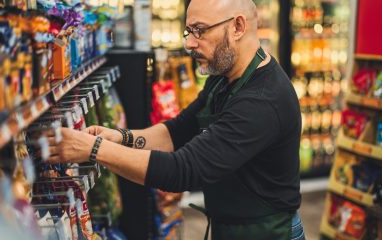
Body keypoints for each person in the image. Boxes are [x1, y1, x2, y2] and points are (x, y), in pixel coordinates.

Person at [46, 0, 305, 239]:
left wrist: (93, 150)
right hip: (232, 228)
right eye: (188, 31)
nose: (189, 44)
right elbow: (177, 131)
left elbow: (182, 170)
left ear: (238, 26)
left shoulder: (262, 100)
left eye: (200, 31)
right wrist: (122, 137)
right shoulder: (224, 75)